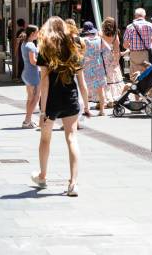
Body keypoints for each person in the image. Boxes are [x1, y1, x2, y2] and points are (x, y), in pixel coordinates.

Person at [31, 17, 90, 197]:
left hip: (52, 101)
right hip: (70, 99)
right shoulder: (73, 48)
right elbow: (82, 82)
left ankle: (42, 176)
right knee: (72, 138)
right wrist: (86, 105)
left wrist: (42, 110)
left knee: (45, 139)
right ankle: (73, 183)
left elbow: (45, 82)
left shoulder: (44, 50)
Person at [80, 21, 107, 116]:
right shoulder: (100, 39)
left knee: (85, 88)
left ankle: (86, 109)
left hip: (87, 66)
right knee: (100, 89)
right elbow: (107, 51)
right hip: (98, 65)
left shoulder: (82, 40)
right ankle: (102, 110)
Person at [100, 17, 126, 108]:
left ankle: (106, 99)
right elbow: (116, 50)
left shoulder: (100, 34)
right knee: (114, 79)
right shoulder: (115, 36)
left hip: (102, 59)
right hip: (112, 59)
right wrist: (116, 61)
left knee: (105, 80)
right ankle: (114, 98)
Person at [123, 8, 152, 77]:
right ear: (144, 15)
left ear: (135, 16)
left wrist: (130, 46)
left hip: (135, 54)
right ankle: (145, 87)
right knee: (146, 73)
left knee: (134, 75)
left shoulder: (130, 27)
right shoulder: (150, 25)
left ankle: (136, 87)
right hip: (146, 53)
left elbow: (125, 45)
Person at [20, 25, 40, 129]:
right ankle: (27, 120)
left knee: (30, 98)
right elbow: (33, 61)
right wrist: (45, 63)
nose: (38, 34)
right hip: (33, 74)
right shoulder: (31, 45)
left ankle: (28, 120)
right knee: (35, 98)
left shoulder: (24, 43)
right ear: (32, 34)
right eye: (37, 32)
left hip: (27, 73)